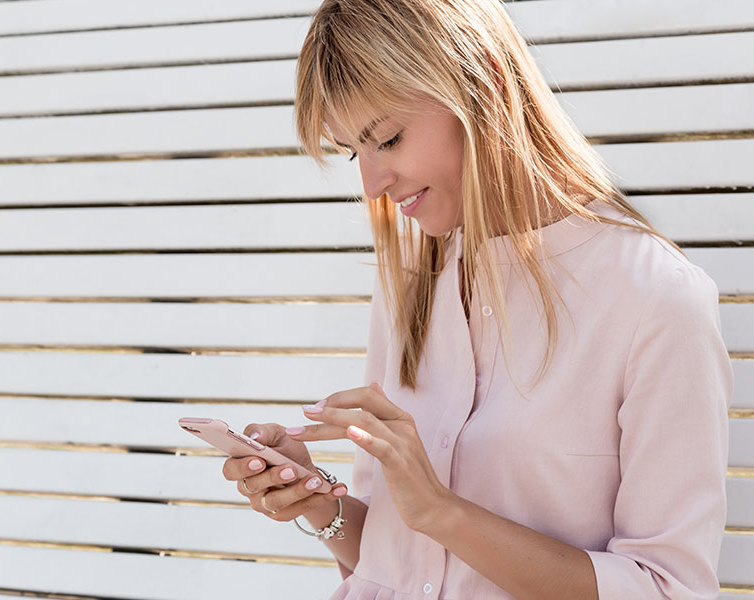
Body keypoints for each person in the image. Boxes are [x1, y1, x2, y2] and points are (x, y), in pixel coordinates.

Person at [222, 0, 734, 597]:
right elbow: (396, 567)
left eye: (386, 138)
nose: (371, 185)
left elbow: (669, 589)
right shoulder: (413, 280)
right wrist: (315, 500)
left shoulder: (656, 301)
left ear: (484, 79)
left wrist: (441, 510)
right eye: (352, 152)